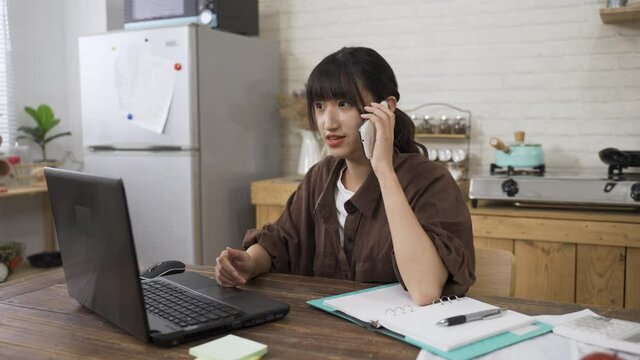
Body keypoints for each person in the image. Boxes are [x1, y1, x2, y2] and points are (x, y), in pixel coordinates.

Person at [214, 47, 474, 305]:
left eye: (343, 104)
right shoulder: (320, 177)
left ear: (387, 108)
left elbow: (425, 290)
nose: (328, 122)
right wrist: (249, 263)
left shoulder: (430, 181)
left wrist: (384, 169)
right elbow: (281, 242)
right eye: (319, 106)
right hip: (327, 335)